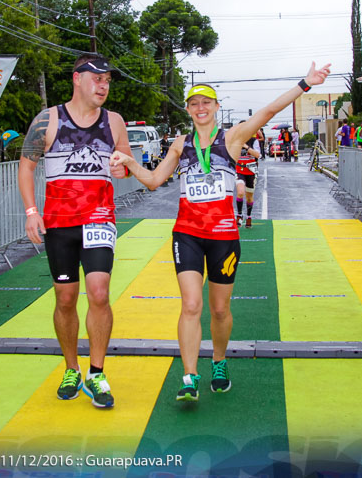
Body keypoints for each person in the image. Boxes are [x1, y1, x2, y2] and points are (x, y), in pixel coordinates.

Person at [111, 63, 331, 403]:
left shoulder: (232, 138)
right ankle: (188, 376)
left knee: (219, 310)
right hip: (187, 234)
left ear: (216, 108)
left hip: (224, 237)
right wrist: (129, 162)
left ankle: (218, 361)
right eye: (194, 103)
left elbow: (269, 111)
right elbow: (154, 181)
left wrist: (305, 83)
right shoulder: (179, 145)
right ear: (188, 109)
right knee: (191, 304)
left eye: (206, 103)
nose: (200, 108)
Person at [18, 53, 131, 409]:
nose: (103, 86)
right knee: (65, 298)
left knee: (99, 293)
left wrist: (121, 167)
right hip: (59, 222)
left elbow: (125, 163)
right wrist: (31, 211)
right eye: (97, 79)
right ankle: (72, 368)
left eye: (108, 81)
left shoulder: (114, 122)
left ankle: (97, 372)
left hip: (98, 218)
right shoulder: (48, 119)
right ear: (77, 79)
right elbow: (25, 168)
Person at [234, 136, 261, 228]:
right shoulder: (236, 141)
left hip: (251, 171)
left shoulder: (254, 141)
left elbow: (257, 155)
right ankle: (239, 215)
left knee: (249, 197)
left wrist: (246, 147)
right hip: (239, 169)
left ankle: (249, 216)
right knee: (240, 192)